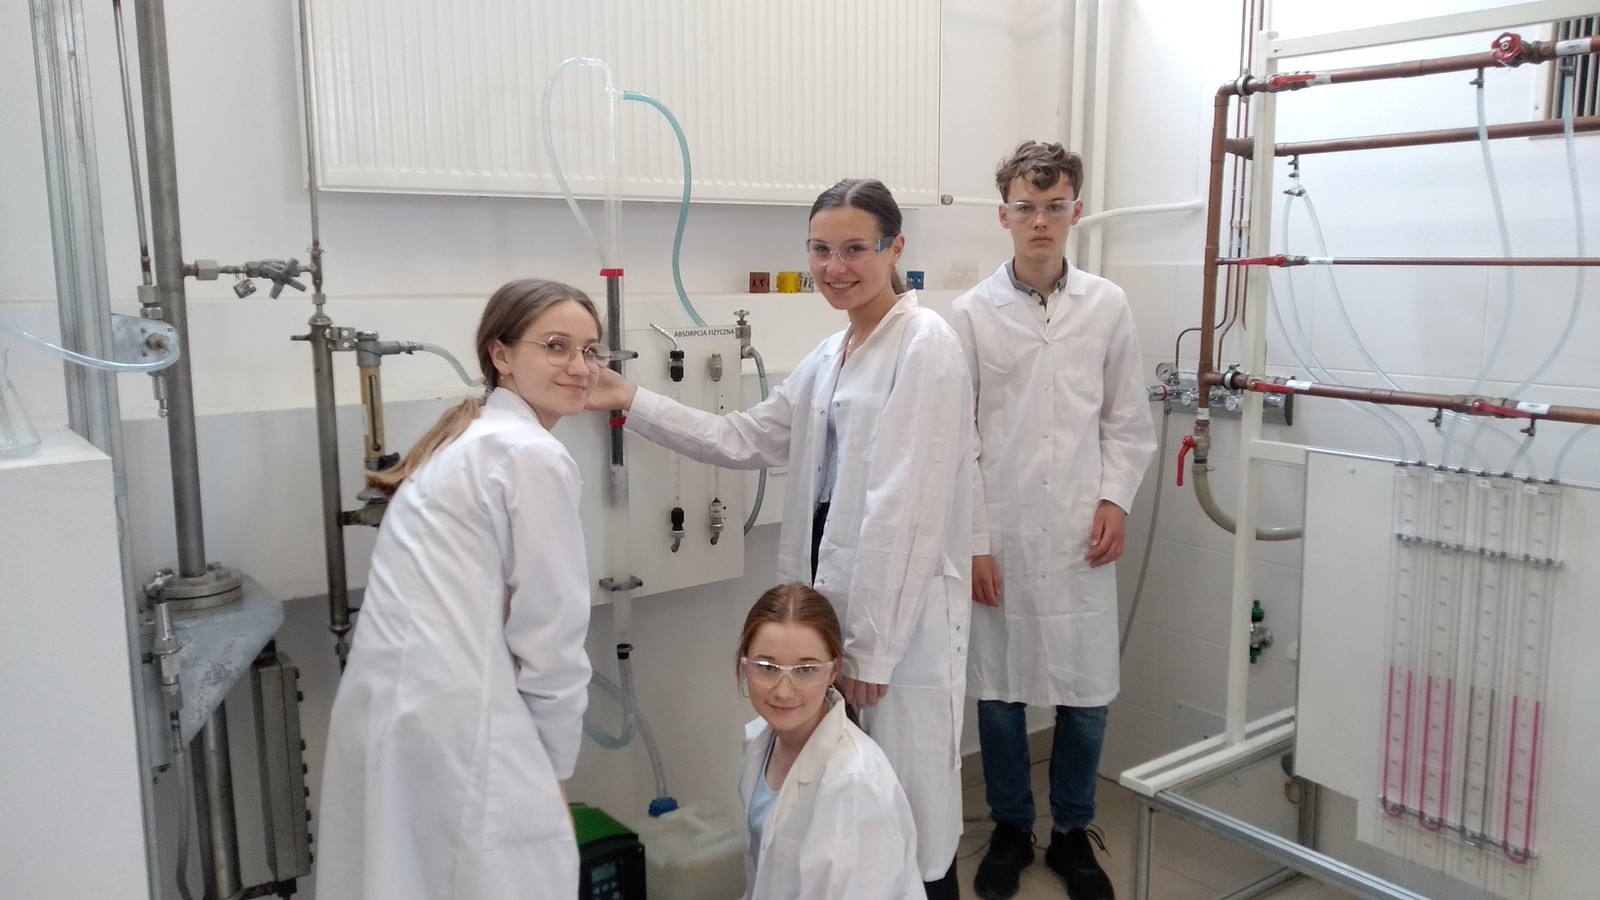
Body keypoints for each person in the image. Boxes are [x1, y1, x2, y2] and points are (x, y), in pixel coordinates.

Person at [586, 178, 972, 898]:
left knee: (899, 813)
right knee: (830, 803)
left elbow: (905, 508)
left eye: (855, 249)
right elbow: (743, 438)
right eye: (820, 250)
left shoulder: (926, 345)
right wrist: (627, 397)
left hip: (893, 618)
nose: (835, 267)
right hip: (829, 607)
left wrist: (875, 645)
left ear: (895, 249)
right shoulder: (831, 354)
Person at [315, 279, 608, 900]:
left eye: (590, 350)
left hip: (394, 716)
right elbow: (551, 637)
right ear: (501, 354)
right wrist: (554, 771)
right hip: (457, 726)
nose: (580, 367)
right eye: (556, 346)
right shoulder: (529, 454)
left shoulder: (468, 439)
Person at [952, 142, 1156, 900]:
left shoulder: (1107, 305)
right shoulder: (970, 314)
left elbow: (1127, 419)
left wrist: (1115, 499)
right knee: (1000, 693)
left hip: (1079, 529)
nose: (1040, 221)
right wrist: (976, 542)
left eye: (1055, 206)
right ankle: (1011, 827)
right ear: (1003, 215)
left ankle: (1072, 832)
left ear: (1077, 211)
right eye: (1026, 208)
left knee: (1086, 692)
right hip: (1001, 529)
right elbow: (961, 439)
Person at [735, 583, 922, 899]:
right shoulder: (763, 742)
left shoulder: (855, 788)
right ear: (745, 664)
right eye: (767, 667)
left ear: (834, 670)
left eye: (806, 669)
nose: (783, 691)